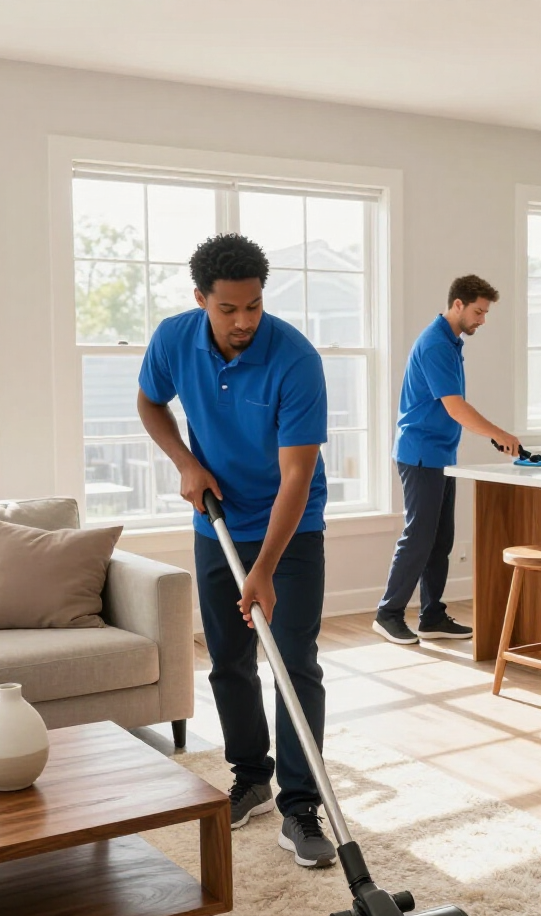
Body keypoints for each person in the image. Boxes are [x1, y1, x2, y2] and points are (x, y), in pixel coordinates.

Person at [137, 234, 336, 870]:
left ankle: (301, 807)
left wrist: (264, 571)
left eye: (254, 306)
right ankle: (251, 776)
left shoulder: (295, 359)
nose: (244, 321)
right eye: (229, 309)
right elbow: (149, 401)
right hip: (215, 519)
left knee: (294, 662)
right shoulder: (174, 339)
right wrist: (186, 463)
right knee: (228, 657)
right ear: (201, 300)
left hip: (290, 526)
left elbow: (297, 478)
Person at [374, 274, 520, 645]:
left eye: (485, 313)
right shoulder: (437, 345)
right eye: (478, 312)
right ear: (457, 304)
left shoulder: (451, 342)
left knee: (441, 539)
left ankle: (431, 615)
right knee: (419, 537)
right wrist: (498, 433)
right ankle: (387, 613)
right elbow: (455, 407)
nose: (482, 320)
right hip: (421, 454)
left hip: (440, 454)